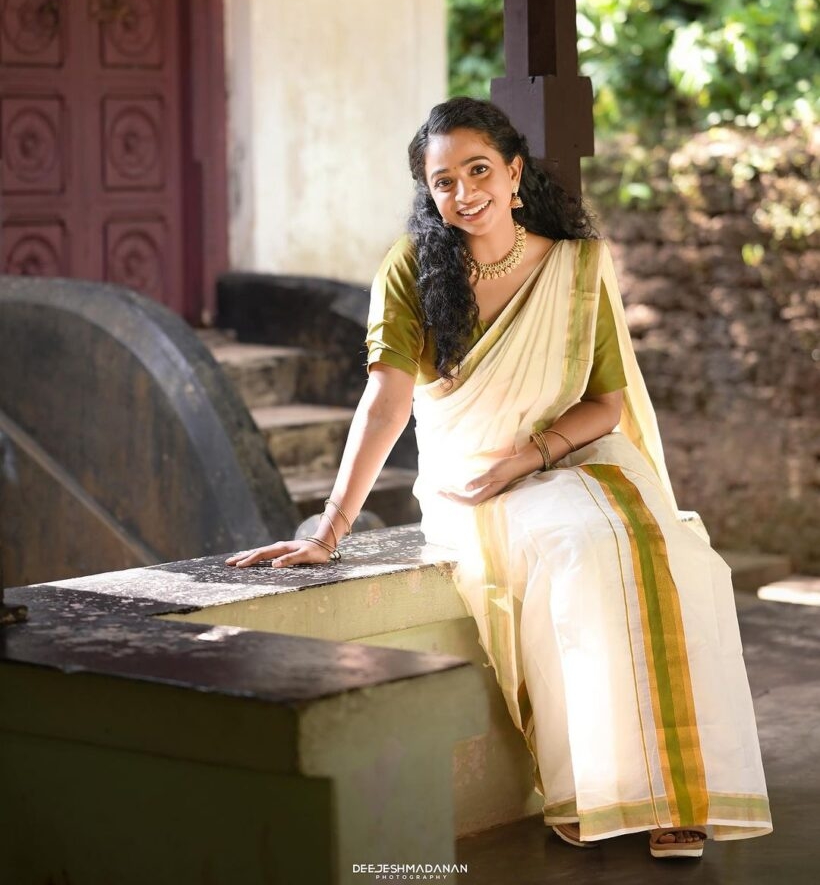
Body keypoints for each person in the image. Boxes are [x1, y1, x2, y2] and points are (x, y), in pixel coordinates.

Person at [226, 97, 772, 858]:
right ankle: (595, 789)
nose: (462, 193)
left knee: (667, 550)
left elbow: (606, 407)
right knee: (582, 546)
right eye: (442, 181)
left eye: (478, 170)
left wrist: (532, 454)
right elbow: (384, 405)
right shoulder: (413, 270)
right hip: (471, 478)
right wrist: (332, 528)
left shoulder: (576, 267)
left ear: (515, 174)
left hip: (562, 453)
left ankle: (674, 789)